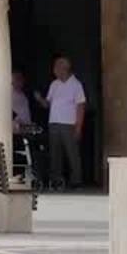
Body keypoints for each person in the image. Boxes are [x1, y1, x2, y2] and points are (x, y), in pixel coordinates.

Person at [44, 55, 87, 190]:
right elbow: (48, 103)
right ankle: (56, 180)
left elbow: (80, 106)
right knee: (55, 153)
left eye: (57, 67)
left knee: (72, 153)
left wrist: (78, 127)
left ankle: (76, 181)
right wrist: (39, 99)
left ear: (65, 69)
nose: (54, 70)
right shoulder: (54, 84)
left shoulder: (76, 85)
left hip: (69, 124)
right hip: (54, 123)